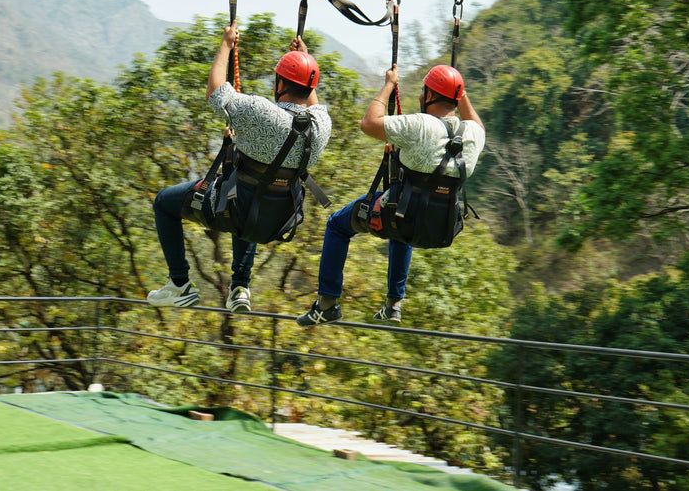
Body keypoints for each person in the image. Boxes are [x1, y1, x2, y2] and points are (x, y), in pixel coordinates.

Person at [148, 19, 332, 313]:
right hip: (277, 219)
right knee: (251, 193)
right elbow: (314, 107)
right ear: (311, 86)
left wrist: (226, 44)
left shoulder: (260, 112)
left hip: (233, 210)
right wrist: (306, 62)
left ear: (280, 84)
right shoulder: (322, 125)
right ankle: (240, 288)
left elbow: (216, 93)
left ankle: (179, 284)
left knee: (164, 202)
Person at [296, 64, 484, 327]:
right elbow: (474, 121)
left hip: (398, 216)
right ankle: (393, 305)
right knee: (403, 223)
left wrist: (388, 85)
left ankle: (327, 304)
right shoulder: (474, 134)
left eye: (423, 91)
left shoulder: (421, 125)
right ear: (457, 98)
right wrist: (459, 92)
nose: (420, 96)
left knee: (337, 226)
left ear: (429, 95)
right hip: (440, 224)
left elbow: (368, 124)